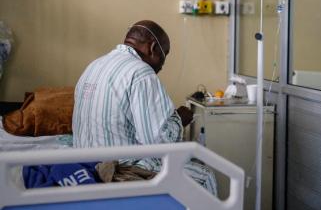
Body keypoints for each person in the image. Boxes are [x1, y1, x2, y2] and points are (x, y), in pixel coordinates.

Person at [72, 20, 217, 195]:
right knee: (205, 175)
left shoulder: (94, 65)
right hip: (120, 169)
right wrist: (179, 120)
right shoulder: (141, 73)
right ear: (153, 48)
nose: (162, 66)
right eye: (165, 56)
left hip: (85, 165)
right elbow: (158, 144)